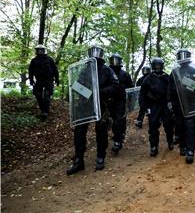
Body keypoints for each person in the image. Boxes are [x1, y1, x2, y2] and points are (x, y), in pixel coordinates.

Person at [66, 46, 120, 175]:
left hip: (102, 104)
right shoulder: (85, 70)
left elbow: (115, 86)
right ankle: (79, 160)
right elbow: (77, 86)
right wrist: (88, 94)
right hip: (85, 105)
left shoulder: (107, 70)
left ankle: (100, 156)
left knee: (101, 131)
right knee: (79, 132)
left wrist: (99, 93)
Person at [167, 49, 195, 164]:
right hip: (177, 104)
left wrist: (188, 84)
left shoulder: (194, 70)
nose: (182, 58)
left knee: (190, 127)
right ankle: (183, 146)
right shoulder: (174, 71)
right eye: (180, 56)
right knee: (180, 126)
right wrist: (169, 101)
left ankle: (191, 151)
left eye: (184, 56)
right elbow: (170, 88)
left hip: (191, 104)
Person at [139, 57, 174, 157]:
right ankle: (154, 146)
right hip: (153, 105)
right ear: (153, 66)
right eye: (156, 65)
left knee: (169, 124)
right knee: (153, 125)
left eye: (159, 65)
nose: (158, 67)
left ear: (162, 66)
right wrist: (144, 106)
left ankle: (170, 141)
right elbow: (142, 93)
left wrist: (172, 102)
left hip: (166, 104)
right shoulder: (148, 78)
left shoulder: (167, 77)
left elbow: (172, 90)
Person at [28, 44, 59, 119]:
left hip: (49, 80)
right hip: (39, 80)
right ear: (36, 51)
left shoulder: (49, 59)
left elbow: (55, 70)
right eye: (39, 50)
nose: (40, 51)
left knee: (46, 95)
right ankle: (43, 110)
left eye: (42, 50)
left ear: (44, 51)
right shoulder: (34, 60)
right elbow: (31, 71)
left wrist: (57, 79)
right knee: (37, 94)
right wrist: (31, 80)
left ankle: (45, 112)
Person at [108, 53, 129, 154]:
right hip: (110, 100)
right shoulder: (107, 72)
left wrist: (129, 101)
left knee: (119, 120)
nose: (115, 62)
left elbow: (131, 88)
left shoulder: (125, 74)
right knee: (111, 120)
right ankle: (117, 134)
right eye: (113, 60)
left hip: (121, 101)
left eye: (117, 60)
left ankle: (118, 141)